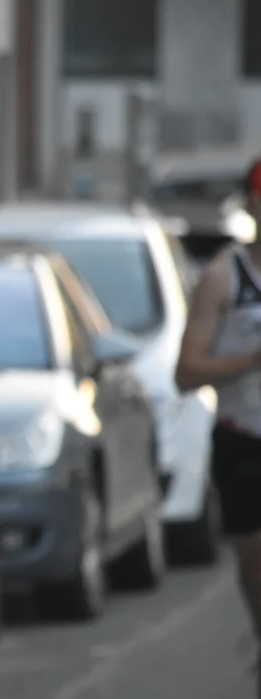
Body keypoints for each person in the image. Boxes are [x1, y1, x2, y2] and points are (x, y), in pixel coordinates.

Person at [176, 155, 261, 695]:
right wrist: (250, 360)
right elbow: (186, 372)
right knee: (255, 561)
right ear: (251, 204)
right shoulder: (223, 278)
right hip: (243, 439)